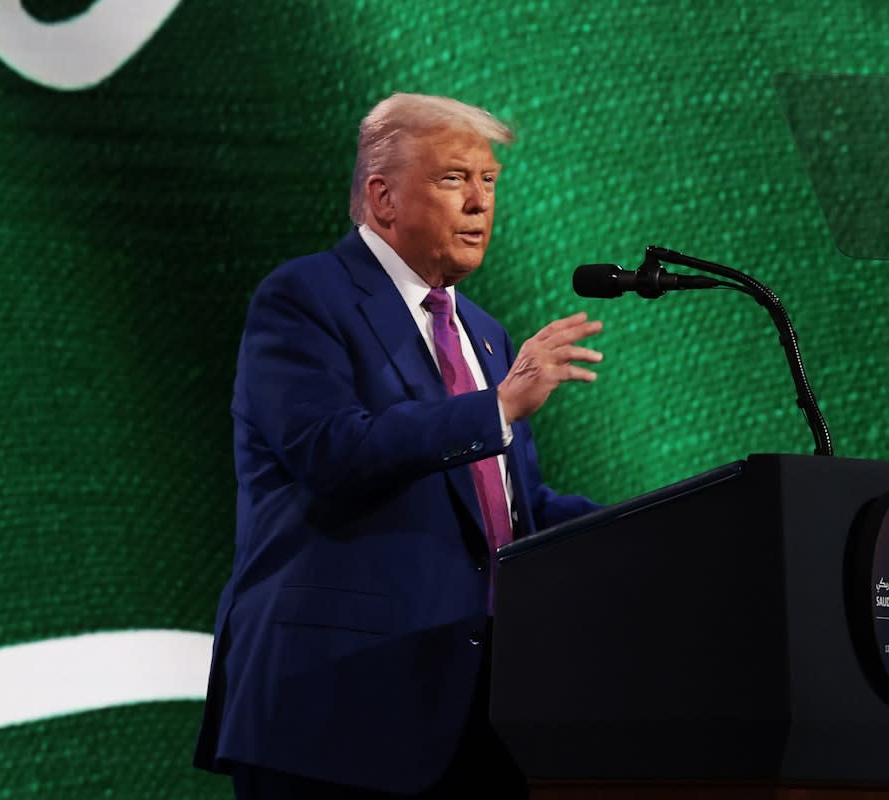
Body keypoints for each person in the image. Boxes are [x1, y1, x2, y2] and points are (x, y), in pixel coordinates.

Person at [193, 93, 604, 798]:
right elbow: (330, 450)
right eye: (454, 178)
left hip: (480, 709)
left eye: (489, 180)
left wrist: (662, 524)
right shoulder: (304, 297)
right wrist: (497, 406)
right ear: (383, 198)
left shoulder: (484, 334)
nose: (479, 202)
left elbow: (513, 511)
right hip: (336, 704)